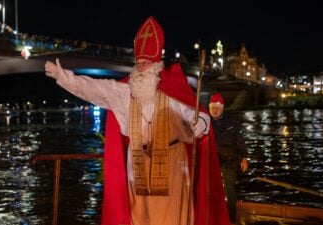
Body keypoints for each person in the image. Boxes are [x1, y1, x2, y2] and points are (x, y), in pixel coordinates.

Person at [45, 16, 230, 225]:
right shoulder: (125, 91)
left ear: (156, 65)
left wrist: (202, 123)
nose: (141, 67)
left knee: (169, 219)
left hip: (172, 167)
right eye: (139, 63)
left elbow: (196, 114)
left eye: (146, 63)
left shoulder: (172, 91)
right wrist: (64, 77)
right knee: (138, 218)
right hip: (138, 168)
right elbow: (94, 89)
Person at [209, 92, 249, 224]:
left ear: (222, 108)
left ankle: (231, 219)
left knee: (230, 189)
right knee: (211, 188)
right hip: (212, 159)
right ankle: (212, 216)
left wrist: (244, 157)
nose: (215, 110)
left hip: (230, 159)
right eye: (213, 107)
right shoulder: (205, 121)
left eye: (218, 107)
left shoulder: (232, 121)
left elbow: (240, 140)